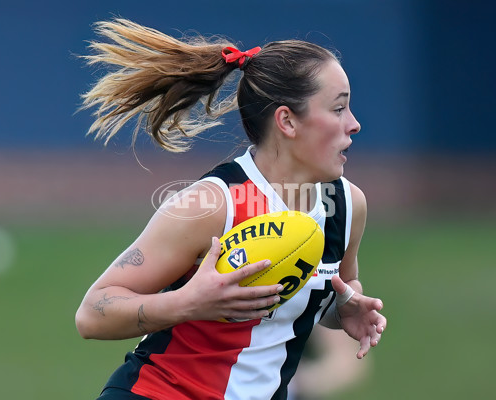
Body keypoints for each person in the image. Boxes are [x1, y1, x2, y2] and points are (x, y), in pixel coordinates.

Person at [75, 18, 387, 400]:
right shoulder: (213, 205)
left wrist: (345, 309)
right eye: (338, 109)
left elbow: (337, 287)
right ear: (287, 121)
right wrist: (187, 303)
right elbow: (92, 313)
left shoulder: (346, 206)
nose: (354, 124)